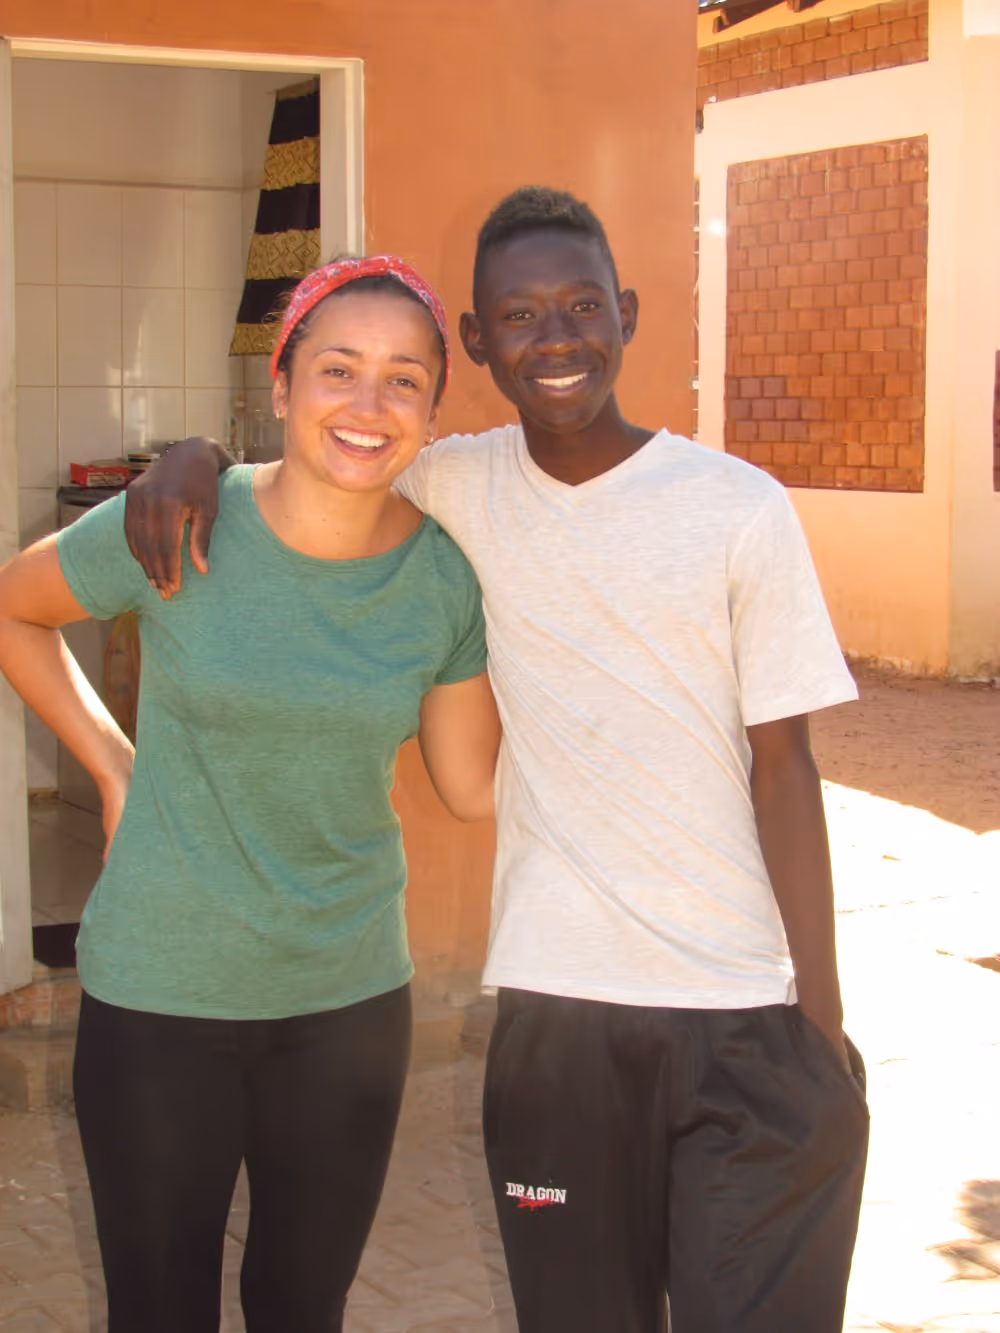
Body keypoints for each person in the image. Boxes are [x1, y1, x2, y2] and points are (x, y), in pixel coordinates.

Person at [124, 188, 869, 1333]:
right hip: (556, 1022)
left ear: (626, 313)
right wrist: (196, 456)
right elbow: (330, 456)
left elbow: (787, 768)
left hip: (742, 1011)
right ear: (476, 342)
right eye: (518, 316)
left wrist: (819, 1023)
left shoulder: (737, 508)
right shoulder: (456, 482)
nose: (555, 337)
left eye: (581, 306)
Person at [0, 255, 500, 1333]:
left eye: (404, 380)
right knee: (157, 1311)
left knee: (301, 1307)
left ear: (433, 413)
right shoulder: (182, 518)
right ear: (281, 386)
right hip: (160, 995)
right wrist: (112, 763)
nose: (368, 405)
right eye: (337, 369)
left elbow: (471, 787)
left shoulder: (444, 579)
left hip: (347, 1001)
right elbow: (14, 607)